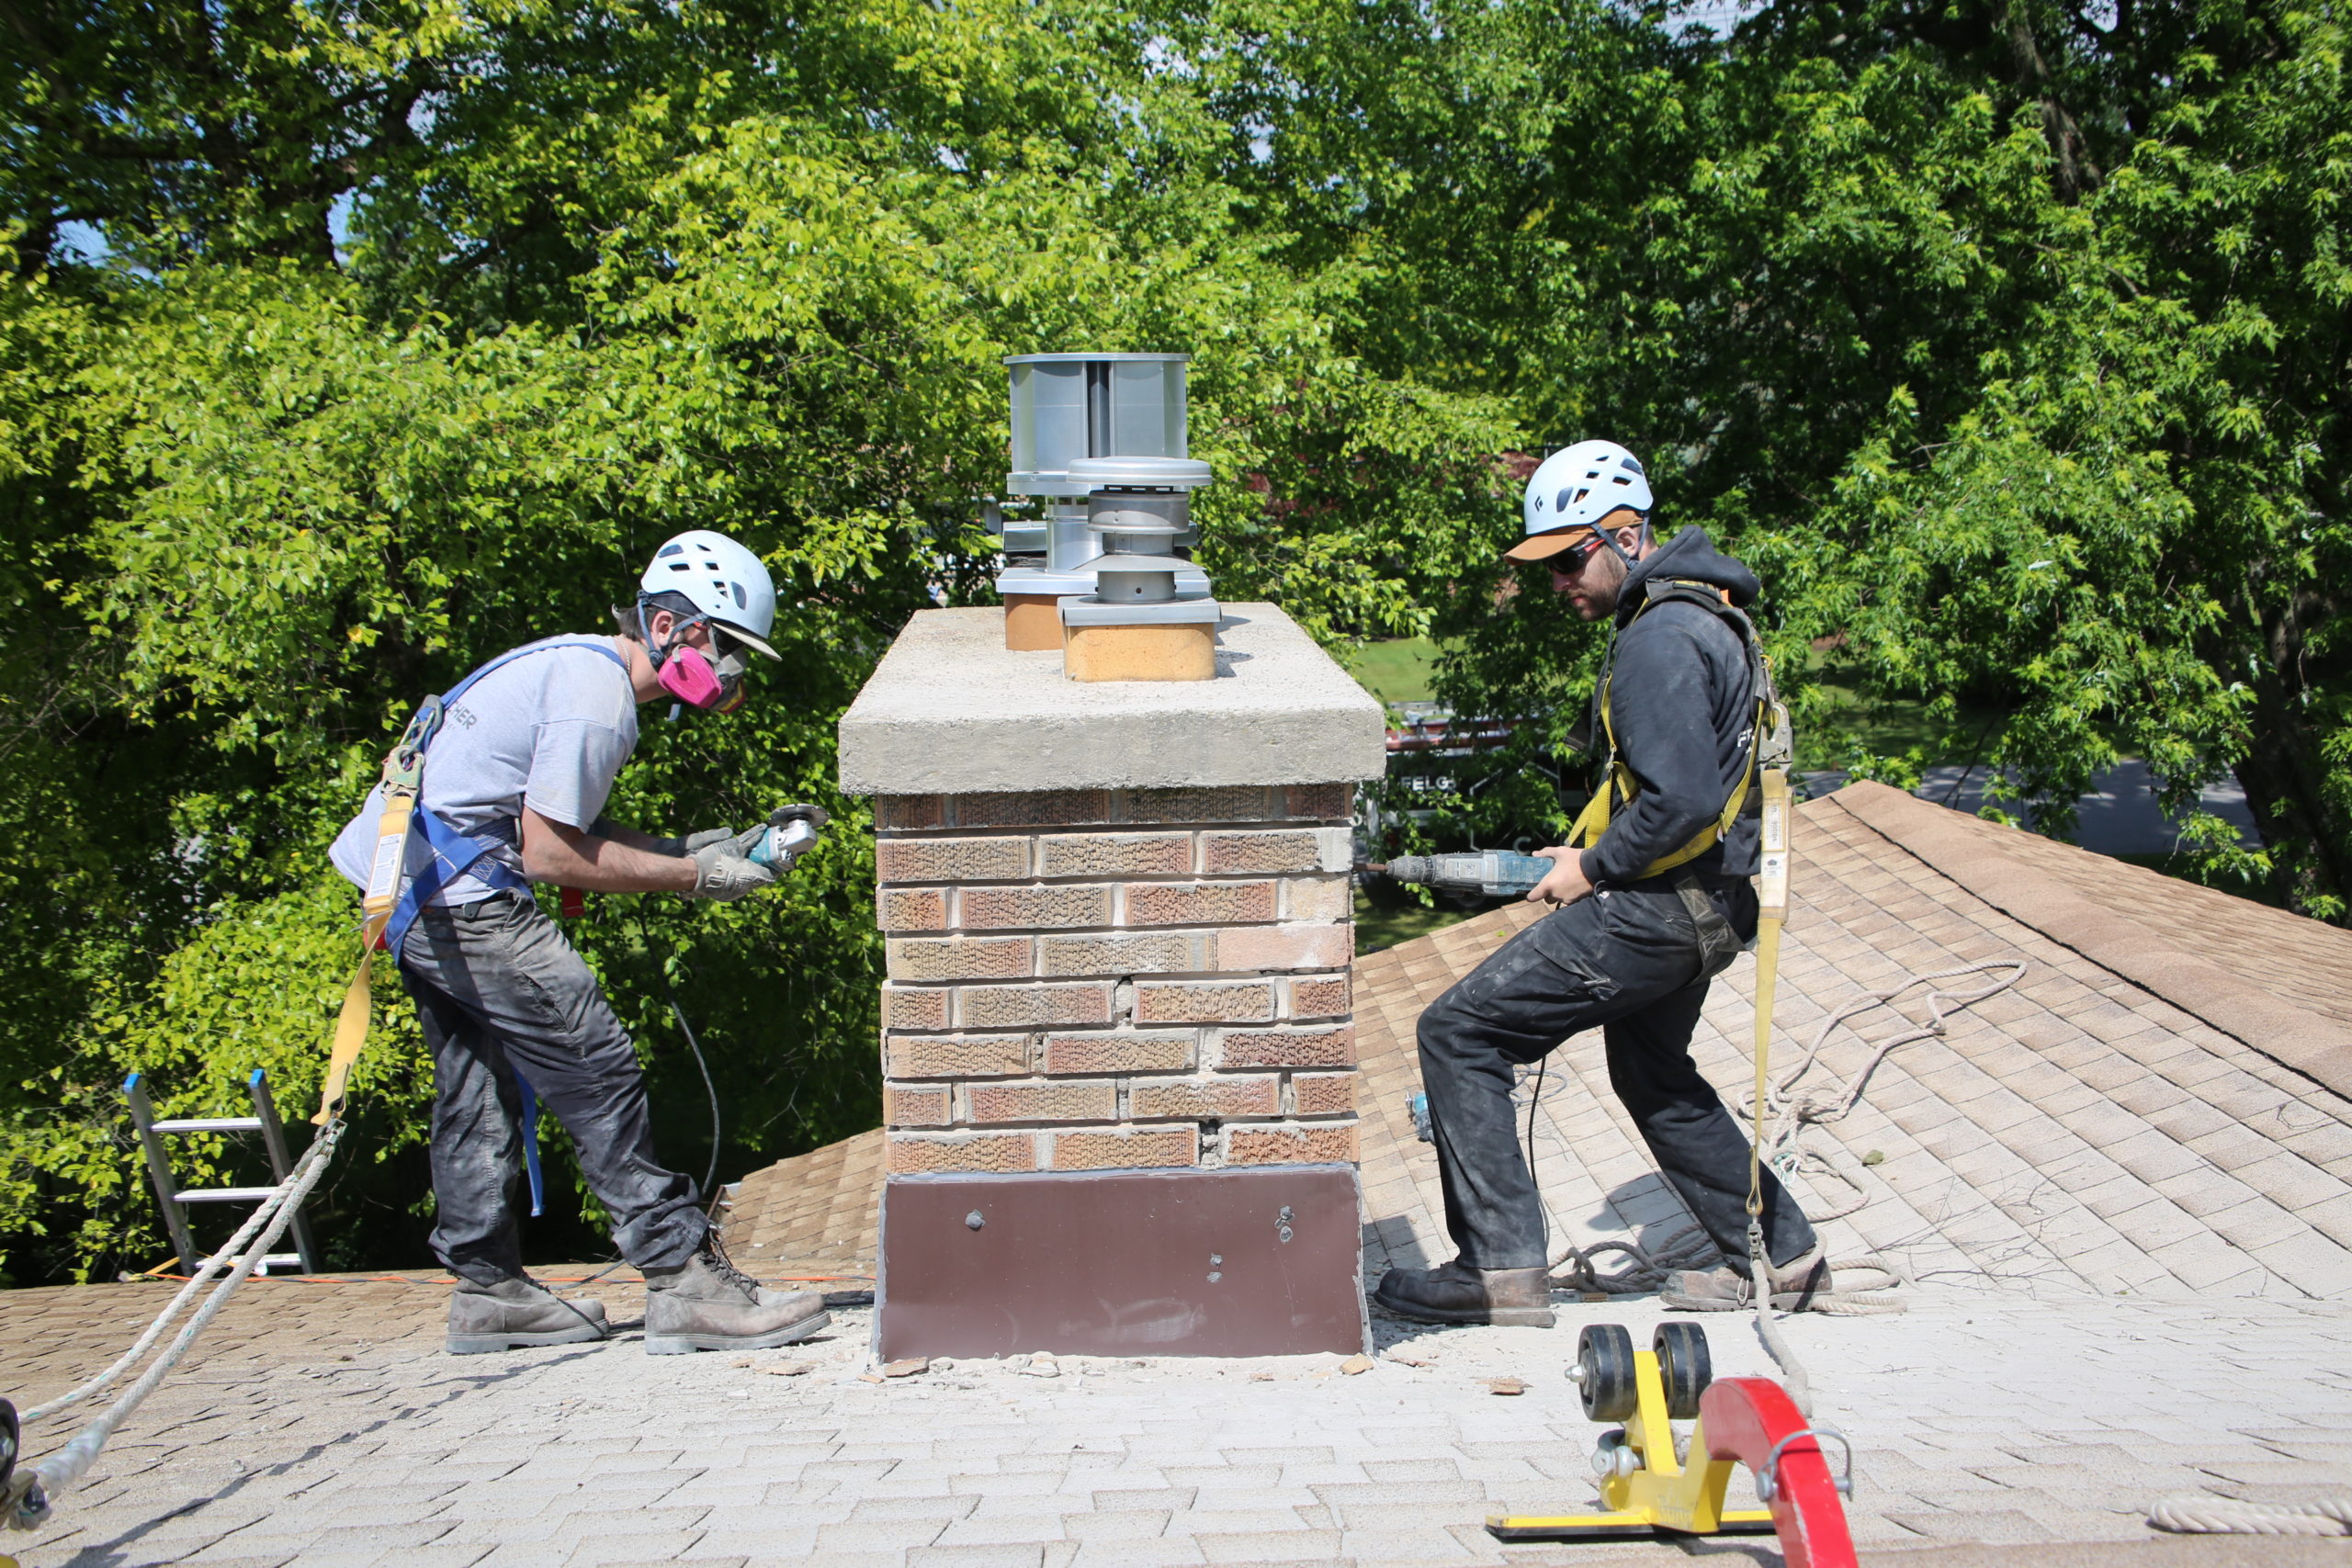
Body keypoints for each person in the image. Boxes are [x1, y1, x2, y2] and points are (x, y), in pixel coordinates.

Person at [330, 530, 832, 1356]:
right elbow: (550, 853)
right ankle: (682, 1278)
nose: (734, 671)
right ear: (668, 627)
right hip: (464, 897)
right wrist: (695, 877)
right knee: (593, 1058)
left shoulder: (577, 666)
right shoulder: (599, 699)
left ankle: (489, 1292)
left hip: (412, 890)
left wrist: (690, 848)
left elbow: (560, 825)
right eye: (726, 645)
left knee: (476, 1083)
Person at [1372, 441, 1824, 1329]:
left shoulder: (1660, 637)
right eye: (1547, 566)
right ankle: (1783, 1257)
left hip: (1663, 908)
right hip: (1715, 901)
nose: (1558, 582)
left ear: (1625, 534)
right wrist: (1592, 847)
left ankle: (1499, 1269)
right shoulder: (1707, 615)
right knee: (1652, 1070)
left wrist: (1593, 865)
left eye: (1570, 559)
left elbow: (1685, 801)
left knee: (1459, 1031)